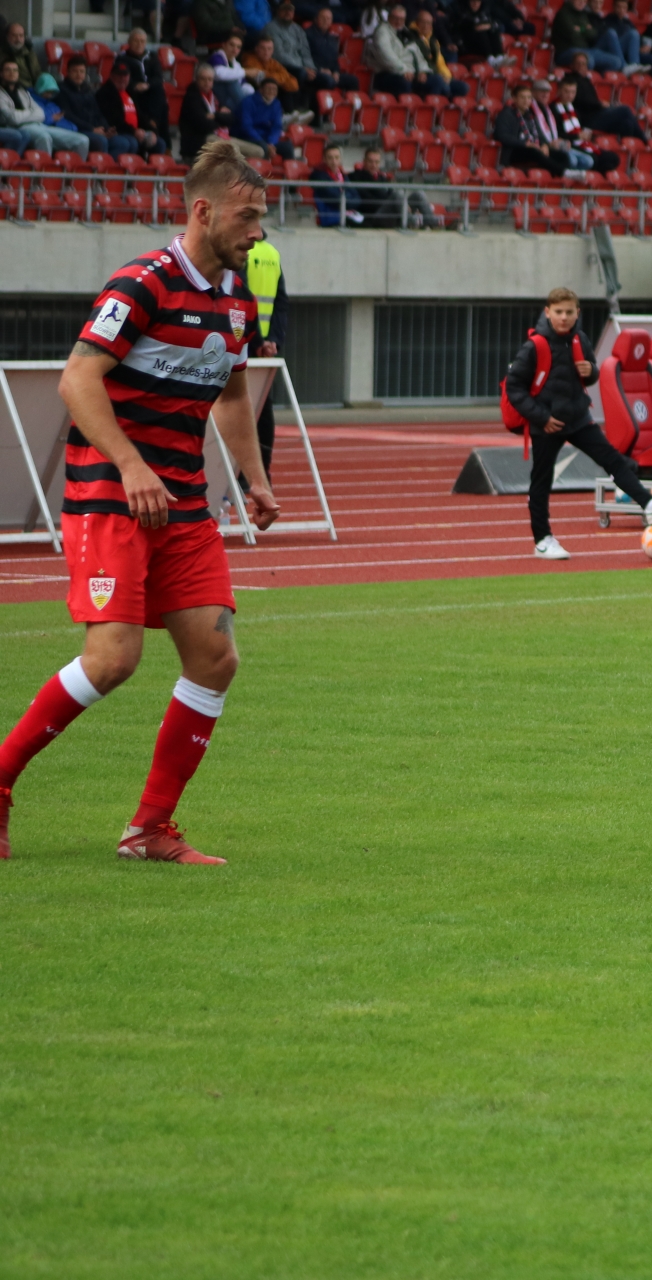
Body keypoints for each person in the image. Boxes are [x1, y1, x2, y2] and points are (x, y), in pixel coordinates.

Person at [0, 140, 281, 866]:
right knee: (112, 660)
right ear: (203, 211)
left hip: (184, 504)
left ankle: (149, 828)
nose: (259, 233)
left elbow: (232, 397)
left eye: (263, 218)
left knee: (215, 658)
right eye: (248, 217)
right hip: (110, 498)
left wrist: (253, 478)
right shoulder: (142, 283)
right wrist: (130, 466)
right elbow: (77, 380)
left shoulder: (237, 302)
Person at [507, 287, 652, 561]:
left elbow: (589, 373)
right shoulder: (534, 346)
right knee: (541, 481)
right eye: (558, 312)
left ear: (577, 313)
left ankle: (650, 504)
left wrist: (591, 370)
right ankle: (543, 540)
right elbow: (514, 387)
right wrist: (541, 417)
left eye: (569, 312)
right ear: (548, 312)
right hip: (547, 424)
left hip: (578, 417)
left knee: (613, 459)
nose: (564, 317)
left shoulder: (579, 339)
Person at [242, 238, 286, 480]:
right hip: (264, 348)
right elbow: (281, 302)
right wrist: (273, 341)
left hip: (243, 345)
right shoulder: (272, 253)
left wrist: (258, 341)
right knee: (262, 410)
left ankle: (240, 475)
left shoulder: (240, 250)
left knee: (239, 409)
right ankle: (263, 473)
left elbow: (243, 298)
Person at [1, 59, 88, 157]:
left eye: (15, 70)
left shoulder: (23, 92)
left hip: (39, 125)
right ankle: (45, 166)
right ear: (1, 73)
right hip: (19, 127)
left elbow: (40, 113)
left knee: (82, 140)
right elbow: (13, 119)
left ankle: (76, 167)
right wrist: (31, 113)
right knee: (44, 137)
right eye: (8, 70)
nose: (12, 73)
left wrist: (26, 115)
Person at [55, 59, 133, 157]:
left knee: (123, 142)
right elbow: (68, 115)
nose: (78, 75)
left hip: (95, 129)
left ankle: (112, 165)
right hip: (77, 130)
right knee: (101, 141)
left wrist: (106, 129)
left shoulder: (88, 90)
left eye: (82, 71)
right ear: (68, 72)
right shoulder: (62, 90)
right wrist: (92, 129)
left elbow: (98, 112)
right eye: (75, 71)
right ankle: (99, 165)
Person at [179, 61, 254, 161]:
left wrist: (215, 116)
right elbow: (203, 124)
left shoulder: (214, 95)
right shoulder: (192, 97)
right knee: (247, 152)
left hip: (218, 136)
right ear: (196, 79)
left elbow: (231, 119)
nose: (207, 82)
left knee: (258, 151)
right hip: (200, 141)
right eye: (203, 79)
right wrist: (221, 118)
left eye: (210, 79)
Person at [493, 81, 570, 176]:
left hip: (531, 148)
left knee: (562, 156)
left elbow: (538, 134)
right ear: (514, 98)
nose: (526, 101)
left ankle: (560, 176)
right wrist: (526, 144)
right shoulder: (507, 114)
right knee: (534, 152)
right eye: (522, 97)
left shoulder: (529, 115)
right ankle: (563, 173)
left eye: (529, 98)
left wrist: (544, 145)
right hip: (514, 151)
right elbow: (502, 136)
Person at [561, 52, 646, 138]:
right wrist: (600, 104)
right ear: (572, 65)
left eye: (583, 64)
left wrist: (602, 104)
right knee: (625, 110)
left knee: (627, 124)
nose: (581, 66)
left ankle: (630, 145)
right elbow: (581, 101)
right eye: (578, 63)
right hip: (588, 118)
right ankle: (644, 140)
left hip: (597, 113)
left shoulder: (586, 80)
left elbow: (591, 100)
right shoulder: (571, 80)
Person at [368, 4, 444, 95]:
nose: (398, 21)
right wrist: (404, 70)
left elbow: (417, 54)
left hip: (410, 73)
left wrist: (422, 71)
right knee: (404, 83)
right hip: (387, 73)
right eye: (395, 18)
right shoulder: (382, 31)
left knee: (436, 81)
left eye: (401, 19)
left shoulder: (406, 32)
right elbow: (386, 55)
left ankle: (426, 104)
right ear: (389, 18)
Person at [96, 59, 165, 157]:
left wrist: (153, 131)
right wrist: (134, 132)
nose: (122, 79)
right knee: (131, 142)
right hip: (119, 132)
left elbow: (139, 115)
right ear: (111, 76)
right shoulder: (105, 93)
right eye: (119, 75)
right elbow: (114, 120)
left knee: (160, 143)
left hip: (134, 132)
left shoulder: (130, 92)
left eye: (125, 75)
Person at [548, 77, 620, 172]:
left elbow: (580, 129)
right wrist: (577, 136)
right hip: (568, 145)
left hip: (580, 142)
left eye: (573, 92)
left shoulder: (574, 109)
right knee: (596, 160)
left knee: (613, 158)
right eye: (566, 91)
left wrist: (586, 135)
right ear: (559, 90)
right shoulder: (553, 109)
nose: (570, 95)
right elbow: (556, 134)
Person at [235, 74, 296, 158]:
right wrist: (263, 143)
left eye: (274, 89)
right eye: (268, 88)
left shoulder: (276, 103)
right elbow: (246, 126)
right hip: (248, 137)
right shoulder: (248, 102)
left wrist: (271, 143)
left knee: (287, 147)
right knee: (264, 148)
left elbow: (277, 126)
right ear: (261, 90)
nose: (271, 91)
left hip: (266, 139)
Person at [552, 0, 618, 71]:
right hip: (566, 51)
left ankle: (601, 76)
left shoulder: (583, 14)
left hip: (586, 50)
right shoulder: (563, 14)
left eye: (584, 1)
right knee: (588, 61)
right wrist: (585, 29)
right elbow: (573, 35)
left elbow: (593, 34)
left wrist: (580, 29)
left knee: (616, 62)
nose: (582, 2)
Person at [305, 8, 360, 92]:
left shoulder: (332, 39)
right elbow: (305, 57)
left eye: (328, 19)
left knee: (353, 80)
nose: (325, 21)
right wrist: (320, 69)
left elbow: (335, 60)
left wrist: (336, 72)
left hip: (330, 73)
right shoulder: (307, 34)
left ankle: (346, 101)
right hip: (314, 71)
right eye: (323, 18)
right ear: (316, 19)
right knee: (328, 80)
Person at [311, 140, 361, 225]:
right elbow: (335, 199)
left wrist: (346, 199)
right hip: (331, 217)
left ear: (340, 159)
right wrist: (348, 199)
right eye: (330, 158)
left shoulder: (342, 175)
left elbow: (357, 198)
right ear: (324, 159)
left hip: (347, 213)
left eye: (336, 157)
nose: (334, 162)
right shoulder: (319, 176)